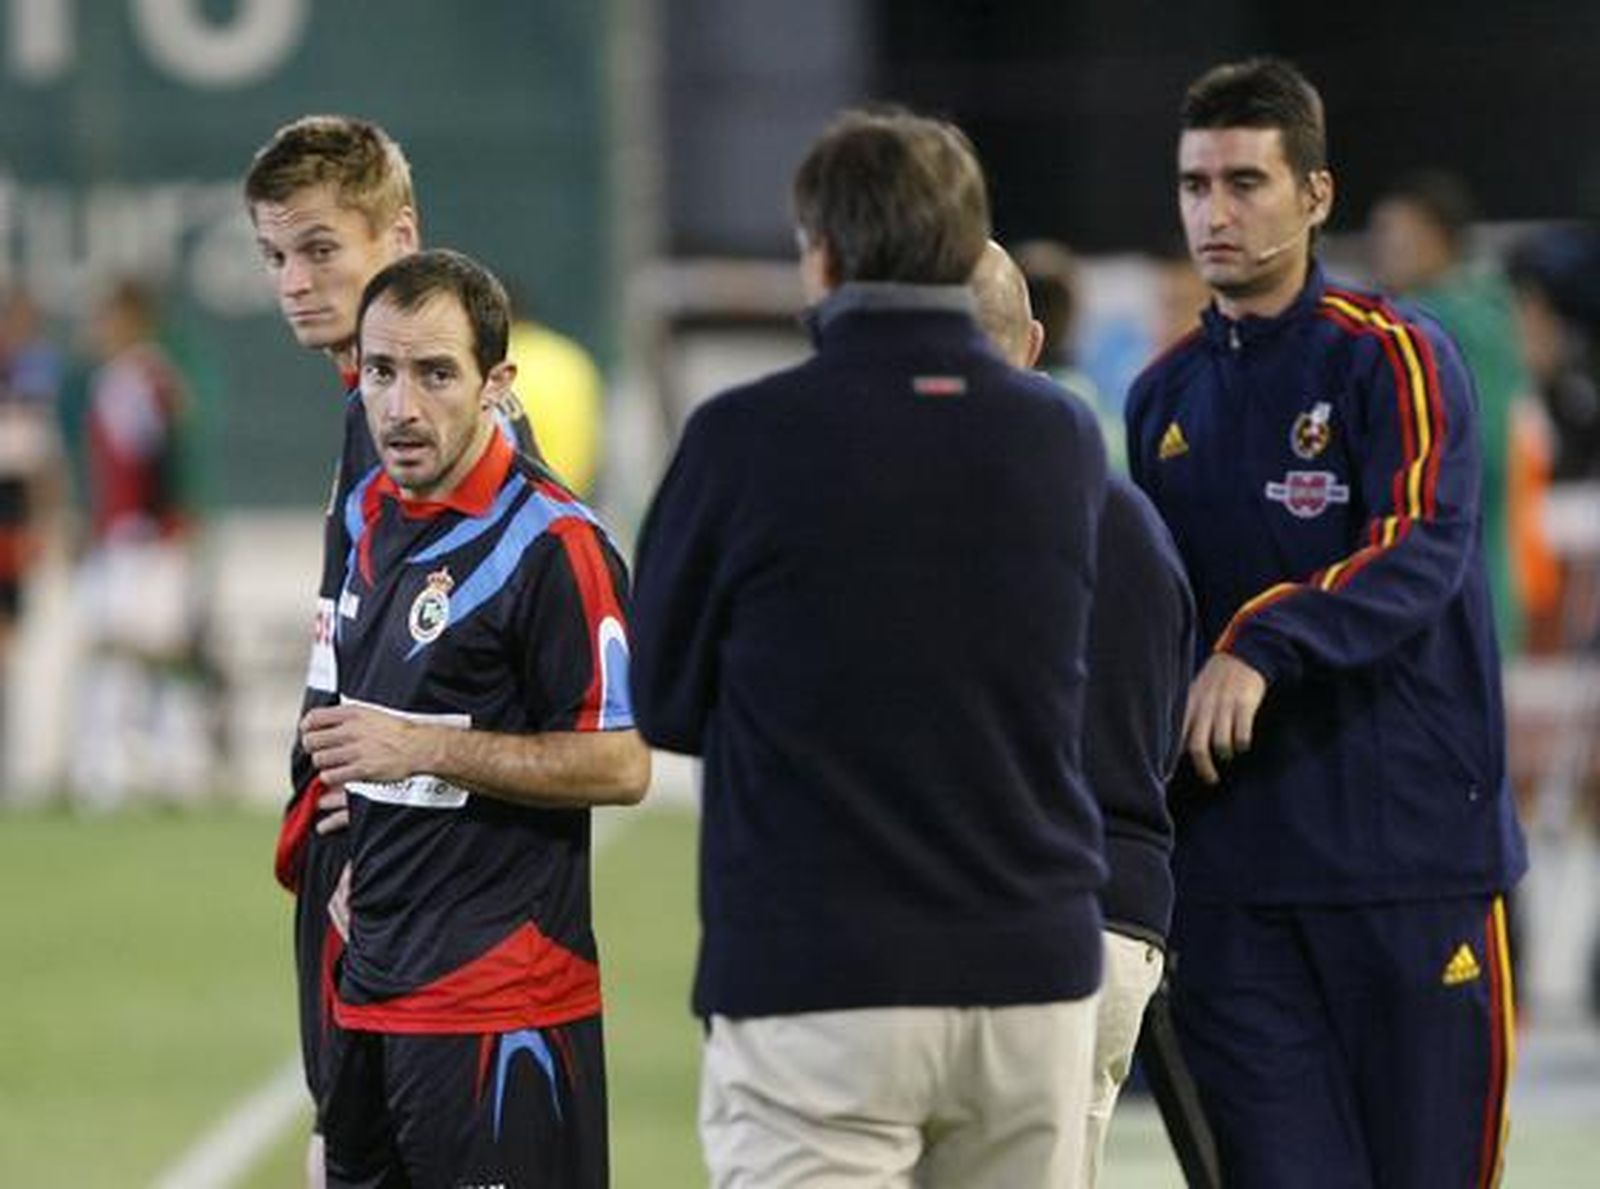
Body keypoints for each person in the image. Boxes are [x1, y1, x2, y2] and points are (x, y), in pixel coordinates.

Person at [630, 109, 1109, 1188]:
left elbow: (659, 698)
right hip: (1031, 970)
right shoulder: (1061, 437)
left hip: (820, 974)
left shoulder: (741, 436)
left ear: (826, 254)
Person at [1125, 58, 1527, 1188]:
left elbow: (1419, 547)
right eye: (1195, 184)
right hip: (1233, 885)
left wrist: (1260, 642)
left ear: (1314, 194)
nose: (1216, 210)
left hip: (1410, 867)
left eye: (1246, 181)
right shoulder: (1161, 398)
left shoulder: (1390, 354)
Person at [299, 249, 649, 1187]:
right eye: (381, 372)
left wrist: (420, 748)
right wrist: (367, 795)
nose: (401, 408)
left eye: (436, 373)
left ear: (497, 383)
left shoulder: (557, 544)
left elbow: (620, 764)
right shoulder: (371, 509)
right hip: (368, 999)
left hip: (503, 1010)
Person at [242, 113, 539, 1185]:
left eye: (322, 248)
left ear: (398, 235)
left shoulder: (446, 433)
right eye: (275, 255)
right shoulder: (359, 413)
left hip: (408, 885)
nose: (294, 281)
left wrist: (387, 839)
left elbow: (493, 659)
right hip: (359, 852)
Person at [972, 239, 1197, 1186]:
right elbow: (1159, 728)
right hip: (1112, 921)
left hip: (982, 919)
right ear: (1027, 343)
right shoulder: (1132, 516)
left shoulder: (898, 518)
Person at [1369, 170, 1532, 655]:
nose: (1382, 249)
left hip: (1457, 586)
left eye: (1394, 235)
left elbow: (1479, 452)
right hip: (1459, 586)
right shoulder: (1483, 314)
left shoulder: (1453, 324)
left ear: (1437, 238)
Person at [72, 279, 206, 807]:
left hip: (145, 539)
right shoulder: (119, 380)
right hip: (123, 535)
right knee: (121, 651)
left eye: (107, 317)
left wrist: (157, 534)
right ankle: (120, 771)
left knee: (150, 651)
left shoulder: (146, 379)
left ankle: (170, 768)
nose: (98, 329)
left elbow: (162, 459)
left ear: (133, 319)